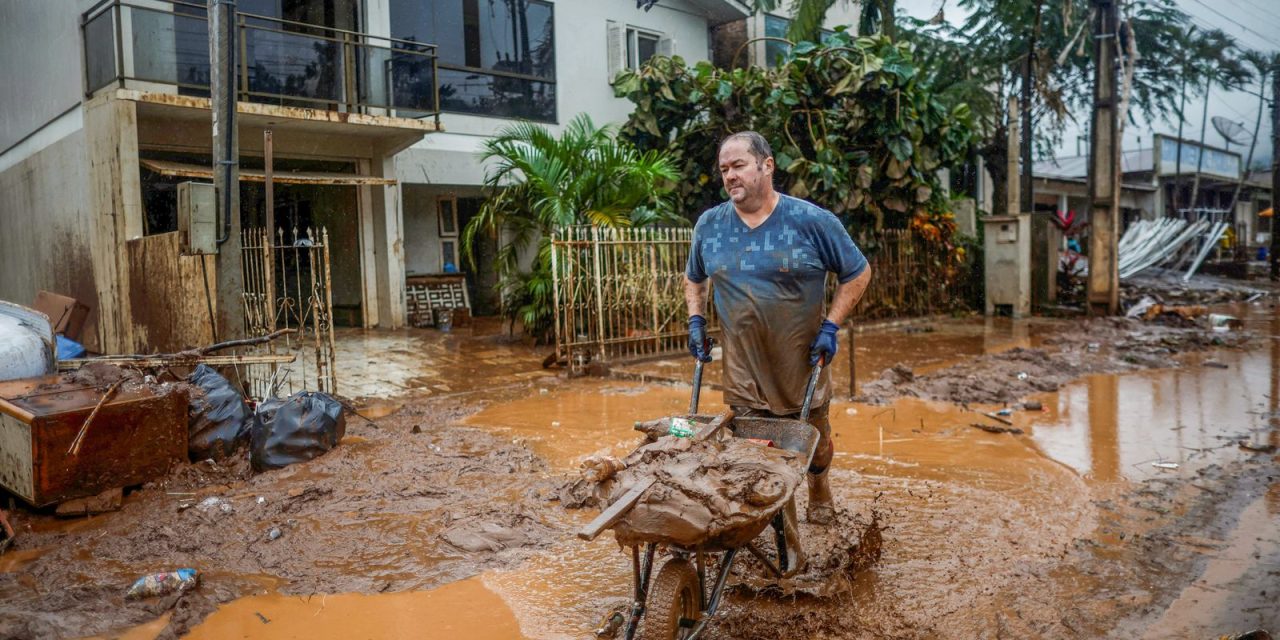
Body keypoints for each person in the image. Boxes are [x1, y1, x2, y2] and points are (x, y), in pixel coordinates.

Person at [684, 131, 872, 525]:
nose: (730, 176)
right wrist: (695, 319)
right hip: (744, 368)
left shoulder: (811, 221)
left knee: (815, 443)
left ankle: (819, 486)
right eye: (724, 169)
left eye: (738, 166)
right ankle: (778, 526)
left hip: (802, 361)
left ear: (766, 165)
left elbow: (858, 273)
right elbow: (694, 278)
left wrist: (831, 326)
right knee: (755, 452)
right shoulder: (710, 225)